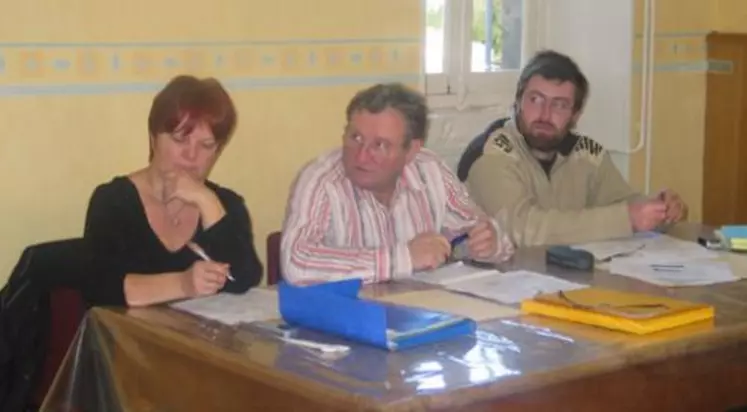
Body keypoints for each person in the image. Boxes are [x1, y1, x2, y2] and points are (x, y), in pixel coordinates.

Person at [281, 83, 514, 285]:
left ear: (411, 150)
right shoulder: (322, 179)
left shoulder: (430, 170)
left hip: (420, 315)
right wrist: (403, 258)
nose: (361, 156)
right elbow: (296, 262)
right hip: (348, 323)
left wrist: (490, 244)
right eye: (356, 138)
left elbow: (474, 230)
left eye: (380, 145)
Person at [457, 50, 688, 247]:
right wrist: (627, 218)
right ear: (518, 101)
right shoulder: (491, 153)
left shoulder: (588, 154)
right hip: (496, 283)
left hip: (562, 280)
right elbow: (522, 229)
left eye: (560, 105)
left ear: (576, 115)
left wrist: (659, 209)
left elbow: (620, 203)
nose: (545, 115)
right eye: (536, 100)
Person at [83, 75, 262, 307]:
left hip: (196, 341)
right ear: (154, 138)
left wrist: (206, 201)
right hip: (128, 340)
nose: (191, 156)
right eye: (180, 140)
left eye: (207, 146)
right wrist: (183, 284)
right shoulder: (114, 200)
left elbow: (244, 279)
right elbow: (100, 289)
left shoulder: (225, 203)